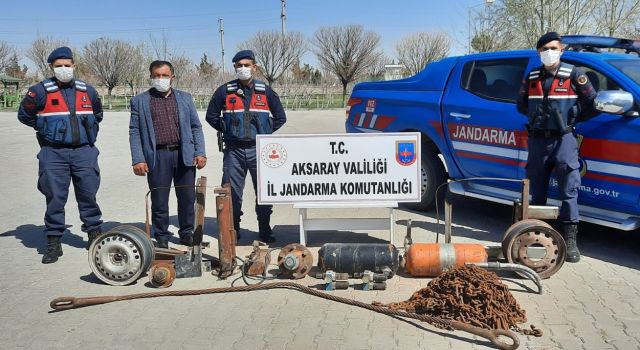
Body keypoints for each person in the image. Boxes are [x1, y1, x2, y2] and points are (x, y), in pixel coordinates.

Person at [17, 46, 104, 264]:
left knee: (88, 194)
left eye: (67, 65)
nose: (63, 69)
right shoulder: (39, 91)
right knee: (55, 197)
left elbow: (98, 115)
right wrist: (46, 128)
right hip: (53, 152)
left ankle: (94, 234)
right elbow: (24, 115)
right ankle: (54, 241)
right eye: (58, 66)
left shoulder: (88, 91)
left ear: (74, 65)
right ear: (51, 67)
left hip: (84, 151)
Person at [517, 32, 598, 263]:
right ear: (538, 53)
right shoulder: (531, 77)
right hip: (538, 141)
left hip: (564, 140)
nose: (548, 52)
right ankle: (536, 236)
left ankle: (569, 240)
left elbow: (592, 104)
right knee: (536, 192)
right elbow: (522, 105)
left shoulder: (574, 75)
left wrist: (572, 117)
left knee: (569, 191)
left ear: (561, 49)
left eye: (553, 48)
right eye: (544, 49)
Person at [205, 50, 286, 243]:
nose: (243, 68)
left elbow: (281, 117)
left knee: (264, 191)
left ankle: (265, 229)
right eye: (239, 65)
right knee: (232, 192)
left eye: (246, 65)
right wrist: (227, 130)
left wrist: (264, 132)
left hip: (260, 150)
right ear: (235, 68)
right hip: (234, 150)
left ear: (254, 67)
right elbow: (211, 116)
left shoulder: (265, 91)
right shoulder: (225, 91)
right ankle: (234, 229)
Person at [129, 60, 207, 248]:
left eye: (165, 75)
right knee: (159, 199)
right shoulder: (140, 101)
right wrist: (138, 158)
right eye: (156, 76)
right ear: (151, 77)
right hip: (158, 156)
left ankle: (186, 233)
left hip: (183, 155)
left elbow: (196, 127)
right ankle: (162, 236)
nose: (161, 79)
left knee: (187, 198)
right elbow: (134, 131)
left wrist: (200, 152)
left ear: (173, 77)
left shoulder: (185, 98)